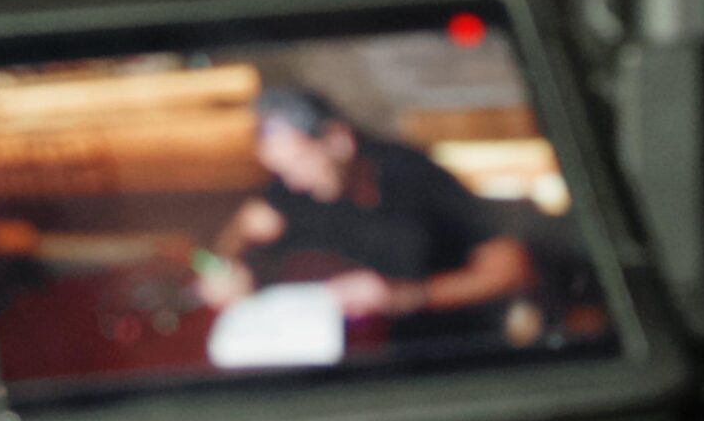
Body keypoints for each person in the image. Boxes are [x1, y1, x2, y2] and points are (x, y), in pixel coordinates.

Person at [197, 86, 537, 334]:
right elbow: (244, 228)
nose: (293, 183)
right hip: (363, 353)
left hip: (457, 347)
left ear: (338, 141)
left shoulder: (413, 175)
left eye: (300, 163)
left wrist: (409, 296)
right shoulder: (293, 188)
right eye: (280, 170)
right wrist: (225, 267)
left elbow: (511, 269)